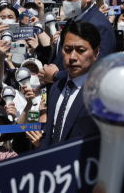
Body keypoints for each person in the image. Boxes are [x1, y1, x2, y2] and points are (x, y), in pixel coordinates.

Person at [40, 20, 100, 148]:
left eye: (81, 50)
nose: (72, 57)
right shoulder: (56, 88)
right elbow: (50, 133)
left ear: (96, 53)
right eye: (67, 49)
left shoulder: (103, 92)